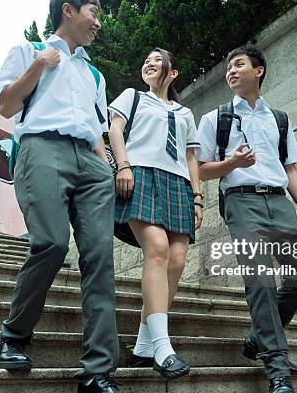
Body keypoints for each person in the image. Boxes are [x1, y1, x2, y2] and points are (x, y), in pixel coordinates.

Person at [0, 0, 120, 392]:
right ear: (68, 10)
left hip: (90, 162)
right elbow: (7, 107)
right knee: (50, 242)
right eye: (93, 12)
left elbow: (98, 130)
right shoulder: (28, 50)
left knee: (100, 259)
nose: (98, 22)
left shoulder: (94, 74)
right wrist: (39, 67)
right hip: (41, 149)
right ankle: (14, 334)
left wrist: (106, 164)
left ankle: (98, 370)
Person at [196, 46, 297, 393]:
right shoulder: (215, 119)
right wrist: (232, 165)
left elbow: (290, 168)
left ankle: (258, 339)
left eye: (239, 65)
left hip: (279, 203)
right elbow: (203, 170)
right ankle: (277, 367)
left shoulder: (278, 119)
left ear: (259, 71)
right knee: (260, 280)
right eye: (228, 68)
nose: (231, 72)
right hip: (240, 201)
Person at [108, 48, 203, 380]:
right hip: (142, 175)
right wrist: (123, 166)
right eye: (145, 59)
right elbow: (115, 131)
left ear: (172, 72)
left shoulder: (186, 113)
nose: (148, 62)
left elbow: (192, 159)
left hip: (178, 184)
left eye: (157, 60)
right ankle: (163, 348)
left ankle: (143, 345)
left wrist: (197, 197)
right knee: (158, 250)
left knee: (177, 262)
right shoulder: (132, 97)